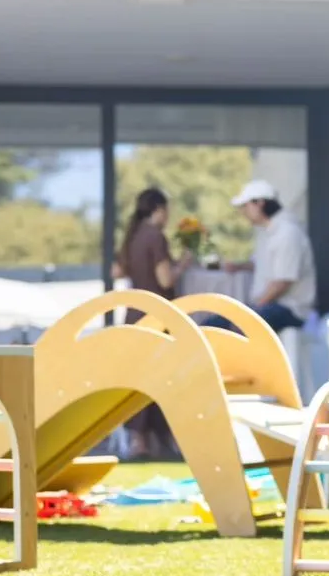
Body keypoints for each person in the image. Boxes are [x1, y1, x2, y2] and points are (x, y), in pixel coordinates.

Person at [113, 187, 191, 459]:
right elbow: (166, 280)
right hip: (158, 316)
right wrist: (183, 263)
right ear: (159, 208)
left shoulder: (132, 236)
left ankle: (140, 439)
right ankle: (155, 439)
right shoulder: (155, 237)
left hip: (134, 314)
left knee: (139, 377)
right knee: (162, 377)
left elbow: (117, 270)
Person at [204, 180, 316, 334]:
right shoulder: (269, 232)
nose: (243, 212)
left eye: (245, 206)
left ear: (260, 203)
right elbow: (263, 264)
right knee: (213, 323)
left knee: (236, 328)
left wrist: (254, 310)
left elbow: (283, 282)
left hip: (289, 309)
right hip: (269, 305)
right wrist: (239, 266)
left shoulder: (287, 233)